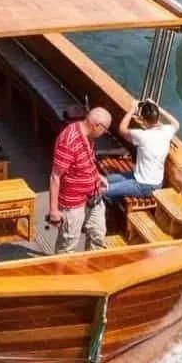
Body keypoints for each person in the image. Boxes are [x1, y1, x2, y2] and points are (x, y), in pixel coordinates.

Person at [47, 106, 112, 253]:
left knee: (98, 235)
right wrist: (53, 211)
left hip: (93, 196)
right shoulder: (69, 142)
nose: (103, 134)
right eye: (105, 130)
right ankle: (60, 273)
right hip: (73, 204)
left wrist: (97, 176)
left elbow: (87, 161)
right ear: (97, 126)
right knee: (68, 246)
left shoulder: (88, 137)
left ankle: (91, 269)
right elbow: (55, 176)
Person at [103, 99, 179, 200]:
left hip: (144, 185)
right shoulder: (167, 131)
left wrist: (132, 110)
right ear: (157, 117)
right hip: (151, 181)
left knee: (103, 189)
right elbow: (176, 123)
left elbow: (122, 129)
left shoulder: (142, 135)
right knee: (107, 179)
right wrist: (158, 108)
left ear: (143, 120)